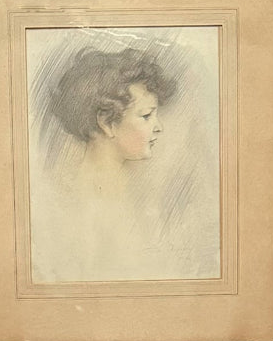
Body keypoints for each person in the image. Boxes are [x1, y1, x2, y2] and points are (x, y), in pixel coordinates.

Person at [30, 47, 180, 284]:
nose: (158, 126)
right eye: (146, 116)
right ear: (106, 122)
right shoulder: (75, 205)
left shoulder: (132, 196)